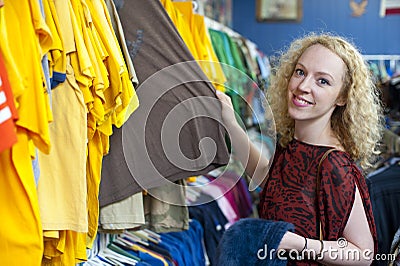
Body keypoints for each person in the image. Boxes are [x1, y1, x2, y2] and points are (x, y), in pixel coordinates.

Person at [216, 32, 384, 265]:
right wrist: (230, 122)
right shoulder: (293, 147)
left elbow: (363, 254)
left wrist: (297, 243)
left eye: (322, 80)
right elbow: (269, 178)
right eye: (300, 72)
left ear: (343, 97)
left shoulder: (333, 165)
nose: (303, 86)